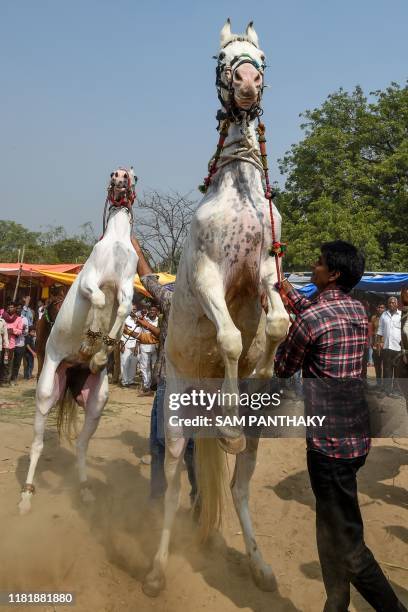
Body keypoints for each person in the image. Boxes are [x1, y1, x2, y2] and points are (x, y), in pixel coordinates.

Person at [275, 240, 405, 612]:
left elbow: (284, 367)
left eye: (318, 263)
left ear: (332, 274)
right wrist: (285, 291)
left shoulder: (311, 319)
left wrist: (285, 326)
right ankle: (335, 603)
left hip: (328, 447)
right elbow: (314, 311)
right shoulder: (357, 311)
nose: (312, 267)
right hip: (355, 442)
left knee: (349, 546)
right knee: (328, 523)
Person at [131, 235, 197, 504]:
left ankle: (158, 496)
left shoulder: (170, 300)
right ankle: (198, 496)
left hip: (170, 383)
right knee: (193, 446)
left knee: (160, 443)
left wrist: (135, 248)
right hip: (199, 386)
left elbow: (147, 278)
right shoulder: (210, 309)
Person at [376, 296, 401, 398]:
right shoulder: (384, 315)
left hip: (399, 348)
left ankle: (396, 390)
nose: (391, 304)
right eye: (390, 303)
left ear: (397, 304)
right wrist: (378, 344)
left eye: (393, 302)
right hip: (386, 347)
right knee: (387, 369)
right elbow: (380, 330)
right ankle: (386, 390)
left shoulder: (401, 315)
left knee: (398, 371)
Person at [0, 302, 24, 386]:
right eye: (9, 307)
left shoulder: (18, 319)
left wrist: (12, 330)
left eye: (12, 307)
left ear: (15, 308)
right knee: (1, 362)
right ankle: (1, 380)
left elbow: (20, 331)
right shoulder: (2, 318)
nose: (10, 308)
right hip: (1, 344)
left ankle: (6, 380)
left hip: (10, 345)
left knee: (8, 362)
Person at [138, 305, 159, 395]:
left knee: (155, 367)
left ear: (157, 312)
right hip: (144, 345)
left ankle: (154, 386)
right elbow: (138, 329)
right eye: (150, 310)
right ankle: (146, 386)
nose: (152, 312)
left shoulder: (160, 320)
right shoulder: (143, 319)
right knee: (144, 367)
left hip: (156, 347)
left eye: (154, 310)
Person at [120, 304, 140, 387]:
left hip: (135, 344)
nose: (133, 311)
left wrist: (137, 346)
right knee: (125, 362)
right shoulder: (124, 319)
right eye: (131, 309)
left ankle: (131, 380)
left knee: (133, 363)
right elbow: (120, 332)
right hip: (125, 343)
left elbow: (140, 334)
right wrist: (122, 344)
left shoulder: (139, 320)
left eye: (134, 309)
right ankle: (124, 381)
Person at [11, 304, 29, 384]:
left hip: (20, 344)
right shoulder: (10, 317)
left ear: (21, 309)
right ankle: (7, 378)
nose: (18, 309)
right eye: (17, 308)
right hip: (11, 343)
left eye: (19, 308)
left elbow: (26, 332)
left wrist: (22, 331)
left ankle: (14, 379)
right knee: (9, 361)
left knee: (17, 362)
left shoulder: (24, 319)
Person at [371, 303, 386, 389]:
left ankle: (384, 385)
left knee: (385, 365)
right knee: (377, 364)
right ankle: (378, 383)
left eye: (382, 307)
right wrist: (372, 343)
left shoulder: (387, 318)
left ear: (385, 309)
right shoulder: (374, 318)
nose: (380, 309)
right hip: (376, 344)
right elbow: (373, 331)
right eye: (379, 307)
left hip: (385, 344)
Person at [0, 313, 9, 386]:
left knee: (1, 364)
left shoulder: (2, 321)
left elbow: (5, 335)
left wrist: (6, 347)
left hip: (0, 347)